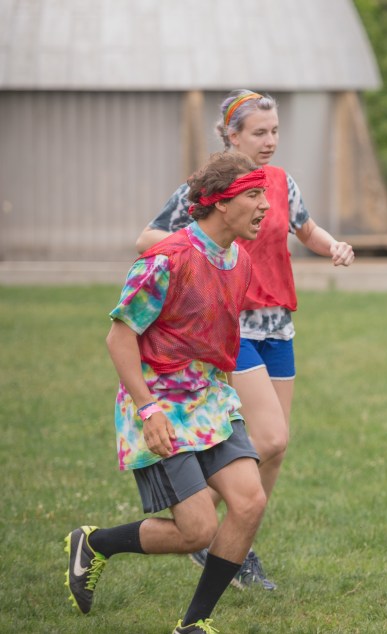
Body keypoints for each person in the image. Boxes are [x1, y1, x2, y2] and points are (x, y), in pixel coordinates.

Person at [136, 90, 355, 591]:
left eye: (275, 131)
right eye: (260, 132)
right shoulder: (209, 188)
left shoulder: (281, 183)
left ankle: (231, 536)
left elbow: (306, 229)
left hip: (280, 325)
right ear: (231, 136)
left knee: (275, 448)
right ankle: (209, 527)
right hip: (234, 326)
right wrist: (196, 253)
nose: (270, 141)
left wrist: (333, 247)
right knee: (272, 436)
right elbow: (148, 238)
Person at [66, 151, 271, 633]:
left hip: (210, 398)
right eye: (254, 195)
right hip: (158, 402)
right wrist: (148, 408)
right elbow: (120, 337)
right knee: (196, 531)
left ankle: (193, 625)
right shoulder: (167, 260)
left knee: (249, 502)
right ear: (222, 204)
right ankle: (95, 544)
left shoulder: (239, 257)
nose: (265, 205)